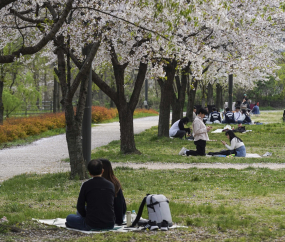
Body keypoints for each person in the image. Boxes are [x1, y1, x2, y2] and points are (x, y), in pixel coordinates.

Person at [66, 159, 115, 231]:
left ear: (89, 173)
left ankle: (80, 223)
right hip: (109, 224)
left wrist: (86, 216)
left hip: (91, 224)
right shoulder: (110, 185)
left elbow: (80, 206)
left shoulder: (86, 185)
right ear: (102, 171)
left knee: (69, 217)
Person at [100, 158, 126, 225]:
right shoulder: (114, 181)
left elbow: (118, 204)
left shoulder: (111, 184)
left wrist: (118, 220)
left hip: (111, 217)